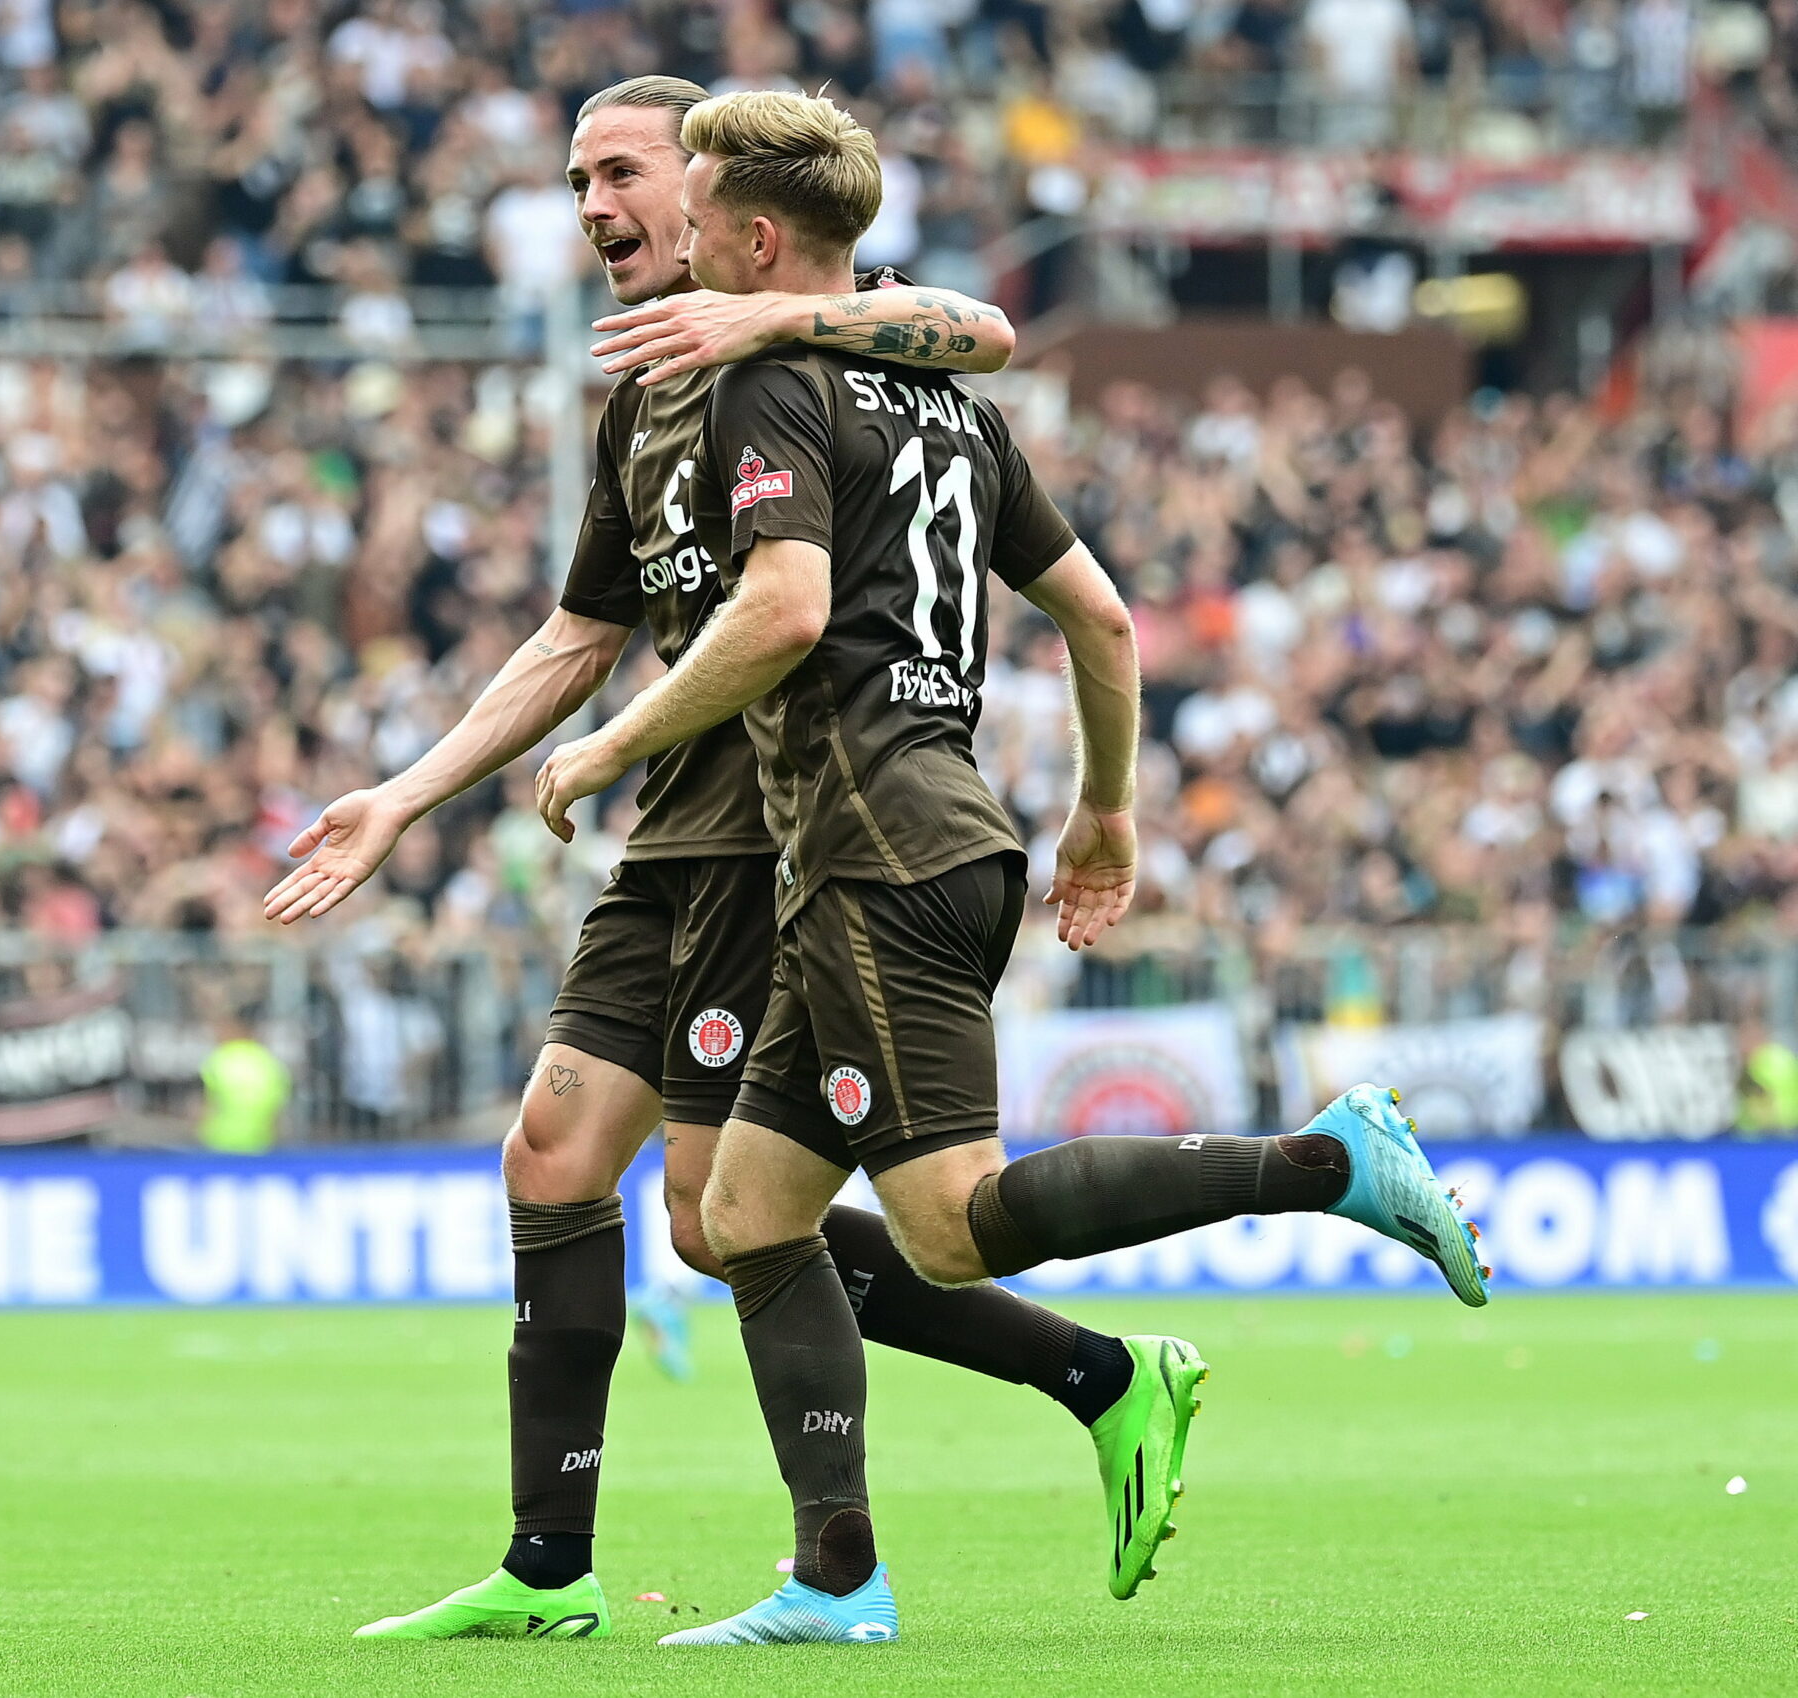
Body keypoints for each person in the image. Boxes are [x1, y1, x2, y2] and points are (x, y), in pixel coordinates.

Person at [532, 89, 1491, 1646]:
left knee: (949, 1225)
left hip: (870, 853)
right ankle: (838, 1579)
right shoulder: (951, 407)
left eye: (692, 209)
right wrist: (1106, 808)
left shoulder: (774, 380)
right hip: (945, 829)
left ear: (757, 238)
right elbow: (1105, 619)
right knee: (749, 1217)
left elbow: (779, 612)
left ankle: (1326, 1162)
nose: (672, 237)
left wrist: (603, 743)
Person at [268, 75, 1110, 1645]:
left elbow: (982, 334)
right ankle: (550, 1567)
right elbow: (575, 635)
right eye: (577, 181)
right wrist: (407, 792)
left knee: (731, 1216)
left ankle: (872, 1543)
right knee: (572, 1167)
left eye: (621, 173)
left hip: (775, 836)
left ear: (716, 197)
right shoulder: (638, 397)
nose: (593, 207)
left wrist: (778, 324)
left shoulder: (797, 347)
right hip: (673, 837)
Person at [198, 1013, 290, 1153]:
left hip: (220, 1140)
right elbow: (279, 1101)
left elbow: (207, 1103)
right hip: (260, 1140)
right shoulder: (267, 1059)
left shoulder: (220, 1059)